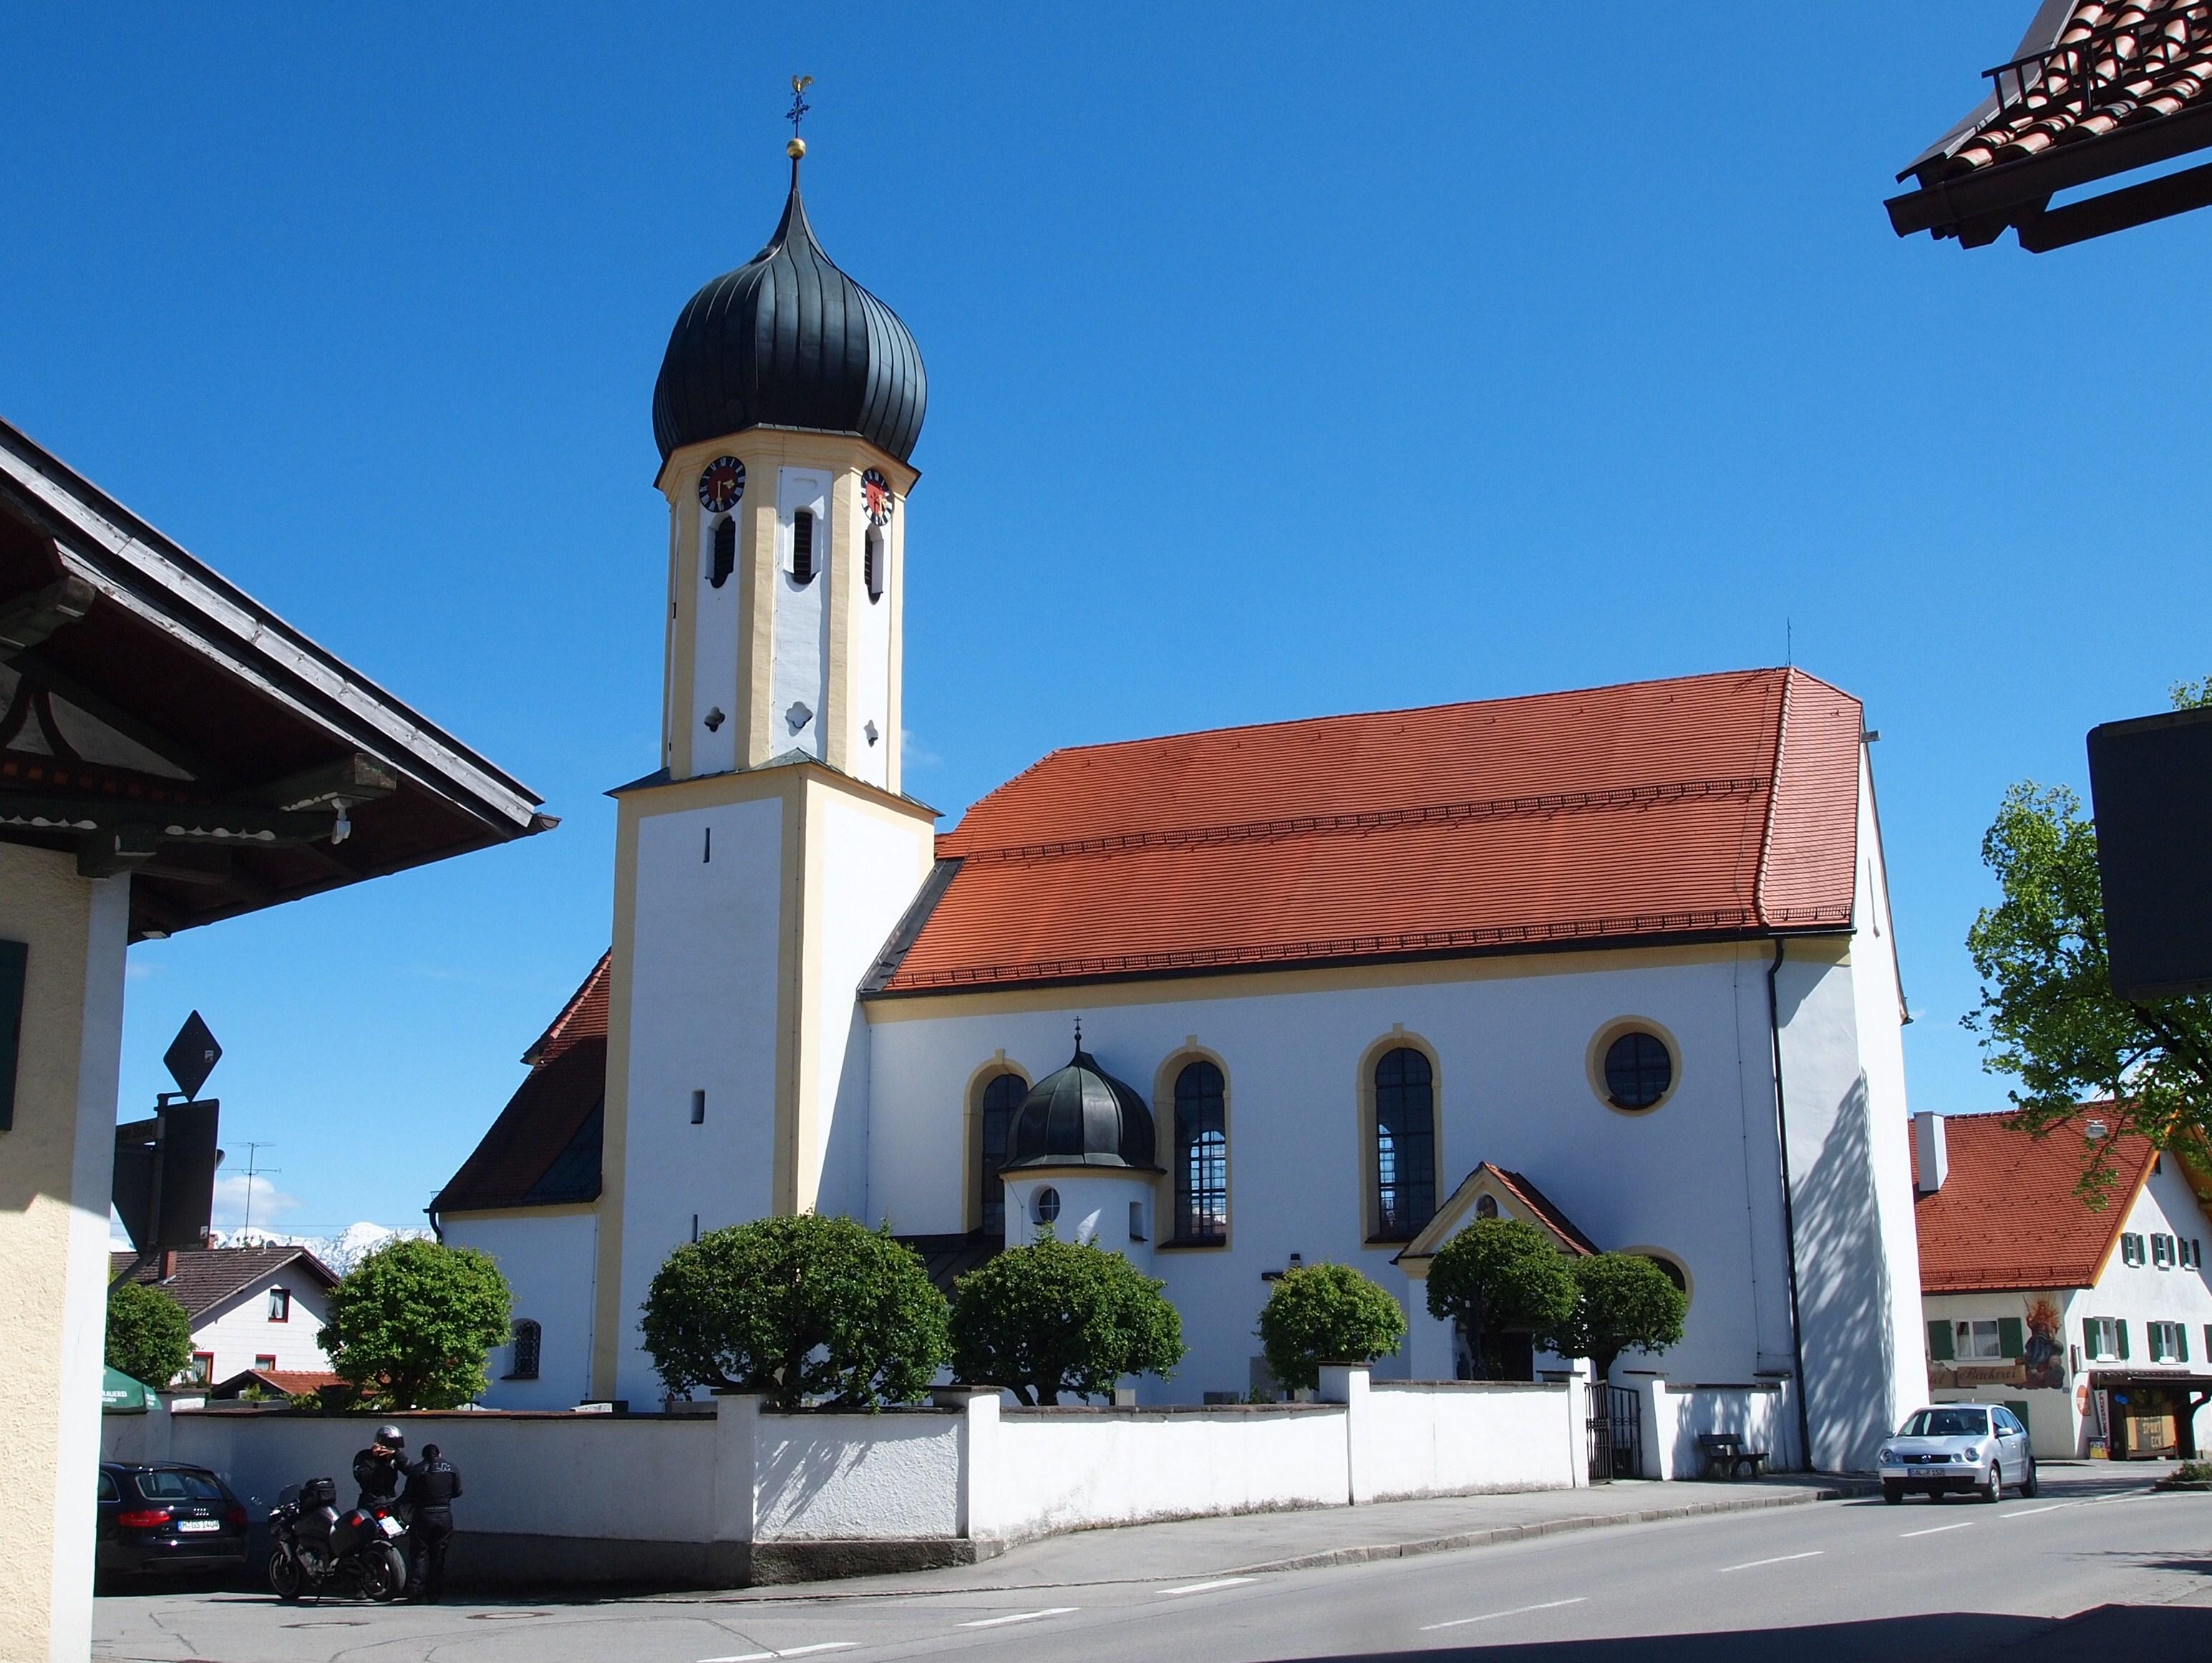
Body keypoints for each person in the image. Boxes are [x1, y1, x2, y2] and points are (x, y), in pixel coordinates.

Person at [396, 1441, 462, 1604]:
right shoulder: (451, 1468)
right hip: (444, 1515)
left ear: (423, 1456)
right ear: (439, 1454)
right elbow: (457, 1492)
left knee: (419, 1555)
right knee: (438, 1555)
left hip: (423, 1515)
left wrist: (395, 1505)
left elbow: (408, 1495)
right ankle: (435, 1594)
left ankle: (416, 1593)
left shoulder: (418, 1470)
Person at [351, 1425, 404, 1513]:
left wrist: (398, 1455)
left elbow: (411, 1472)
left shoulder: (395, 1457)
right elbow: (362, 1477)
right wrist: (374, 1458)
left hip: (391, 1501)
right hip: (371, 1502)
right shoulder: (364, 1456)